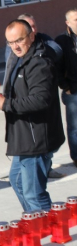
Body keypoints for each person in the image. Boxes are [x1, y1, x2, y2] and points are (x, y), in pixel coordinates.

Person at [0, 19, 65, 212]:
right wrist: (4, 97)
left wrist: (6, 104)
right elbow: (25, 92)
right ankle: (35, 221)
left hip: (36, 139)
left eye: (19, 40)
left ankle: (44, 227)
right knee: (17, 181)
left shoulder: (39, 62)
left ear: (31, 36)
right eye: (10, 42)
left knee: (34, 193)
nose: (14, 46)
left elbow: (40, 100)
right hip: (24, 136)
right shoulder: (20, 57)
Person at [56, 8, 77, 168]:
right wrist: (65, 86)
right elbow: (57, 67)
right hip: (73, 91)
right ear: (68, 23)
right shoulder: (62, 41)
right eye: (76, 19)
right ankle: (76, 157)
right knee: (74, 127)